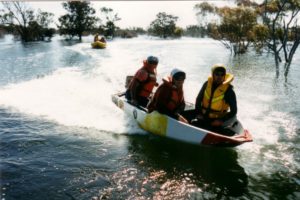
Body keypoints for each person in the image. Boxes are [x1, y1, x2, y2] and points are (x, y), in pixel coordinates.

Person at [191, 64, 237, 134]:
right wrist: (199, 113)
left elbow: (234, 111)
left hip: (217, 120)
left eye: (222, 75)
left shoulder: (229, 91)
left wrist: (221, 120)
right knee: (193, 123)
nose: (220, 77)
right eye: (217, 74)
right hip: (203, 116)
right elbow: (198, 99)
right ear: (213, 74)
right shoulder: (206, 84)